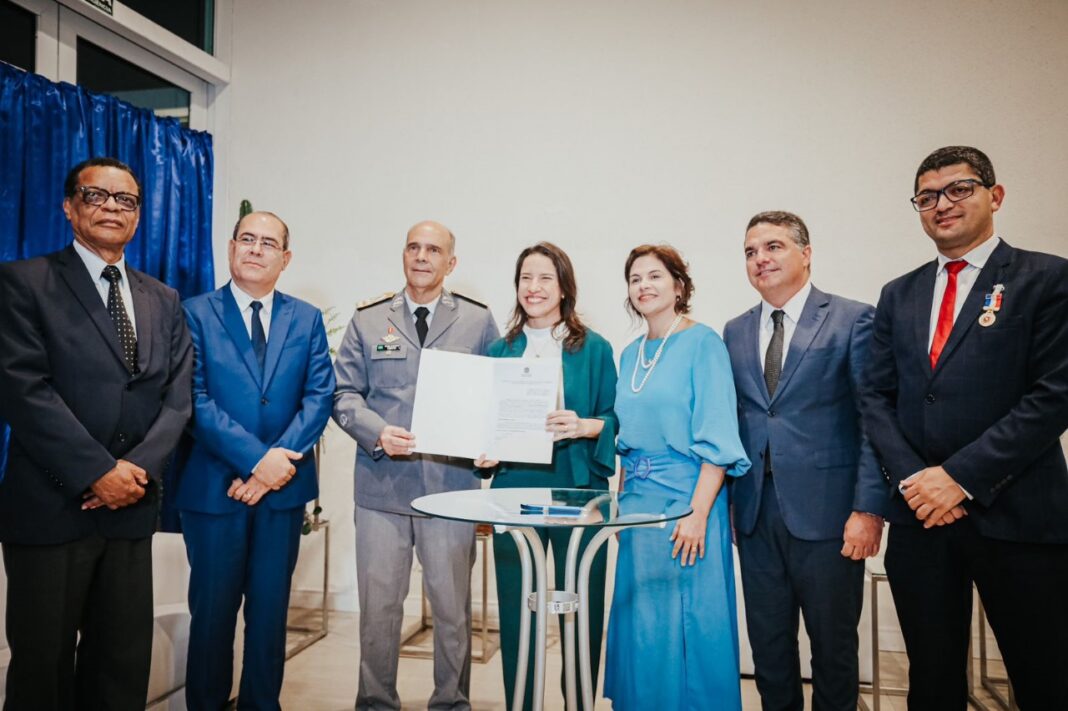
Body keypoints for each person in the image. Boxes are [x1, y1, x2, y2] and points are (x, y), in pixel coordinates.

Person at [861, 146, 1068, 709]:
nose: (942, 204)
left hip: (1018, 518)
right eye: (927, 196)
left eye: (959, 189)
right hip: (922, 521)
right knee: (932, 683)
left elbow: (1054, 395)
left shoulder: (1046, 277)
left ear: (994, 196)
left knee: (1044, 678)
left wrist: (958, 478)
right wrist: (916, 480)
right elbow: (876, 397)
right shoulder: (898, 294)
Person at [0, 157, 193, 709]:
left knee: (120, 666)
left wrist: (132, 473)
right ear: (69, 206)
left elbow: (177, 399)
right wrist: (97, 471)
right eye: (96, 195)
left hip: (131, 508)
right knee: (42, 669)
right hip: (51, 508)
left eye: (125, 200)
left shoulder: (163, 298)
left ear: (138, 215)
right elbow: (23, 390)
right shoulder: (24, 282)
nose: (112, 207)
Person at [333, 220, 499, 710]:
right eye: (413, 247)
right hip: (382, 489)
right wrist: (376, 431)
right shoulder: (368, 319)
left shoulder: (477, 321)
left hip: (450, 491)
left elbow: (495, 395)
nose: (422, 257)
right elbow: (343, 393)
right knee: (379, 611)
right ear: (403, 255)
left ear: (451, 262)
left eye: (433, 250)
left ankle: (451, 703)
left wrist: (491, 444)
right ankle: (375, 702)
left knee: (451, 612)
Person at [723, 211, 886, 710]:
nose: (760, 259)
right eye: (750, 252)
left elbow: (873, 421)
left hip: (830, 516)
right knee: (769, 647)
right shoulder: (734, 330)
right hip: (755, 514)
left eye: (773, 246)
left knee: (833, 649)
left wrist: (869, 508)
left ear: (806, 253)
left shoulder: (852, 319)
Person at [174, 211, 335, 709]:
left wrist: (271, 469)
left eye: (268, 243)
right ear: (231, 248)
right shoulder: (193, 313)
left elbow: (319, 397)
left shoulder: (305, 318)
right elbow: (193, 399)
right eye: (247, 239)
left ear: (285, 259)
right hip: (213, 489)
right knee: (212, 615)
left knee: (269, 616)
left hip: (282, 493)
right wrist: (255, 460)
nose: (255, 249)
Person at [603, 244, 751, 710]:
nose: (643, 286)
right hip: (637, 507)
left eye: (654, 276)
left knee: (689, 621)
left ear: (679, 286)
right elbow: (626, 439)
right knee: (643, 622)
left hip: (688, 503)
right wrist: (620, 505)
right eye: (635, 279)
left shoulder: (703, 343)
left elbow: (718, 438)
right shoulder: (630, 354)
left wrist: (698, 514)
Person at [473, 242, 618, 710]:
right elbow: (484, 427)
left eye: (545, 279)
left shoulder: (594, 348)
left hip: (579, 489)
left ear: (564, 287)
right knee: (517, 607)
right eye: (525, 278)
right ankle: (521, 703)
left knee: (582, 607)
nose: (533, 288)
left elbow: (616, 418)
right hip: (514, 489)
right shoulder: (499, 350)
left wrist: (585, 425)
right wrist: (484, 456)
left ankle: (578, 702)